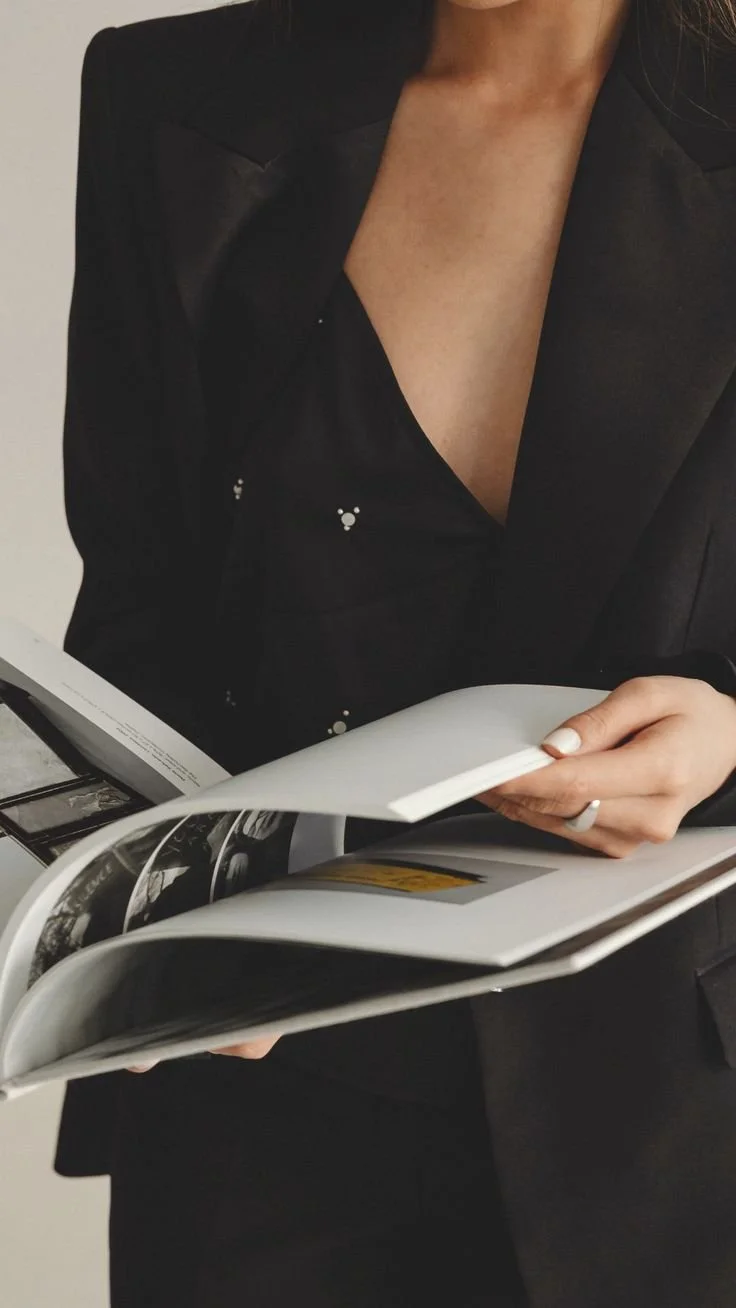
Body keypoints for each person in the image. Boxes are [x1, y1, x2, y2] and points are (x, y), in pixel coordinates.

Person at [53, 0, 736, 1303]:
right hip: (256, 1097)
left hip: (678, 1114)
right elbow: (140, 611)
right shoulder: (173, 93)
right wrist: (131, 916)